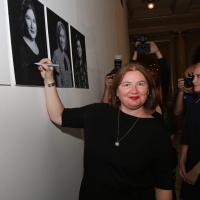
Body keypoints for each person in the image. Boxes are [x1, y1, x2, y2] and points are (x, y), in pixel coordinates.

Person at [38, 58, 173, 199]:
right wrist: (49, 80)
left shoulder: (158, 131)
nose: (134, 90)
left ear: (149, 90)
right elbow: (59, 116)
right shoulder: (98, 113)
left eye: (140, 84)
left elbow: (163, 185)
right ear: (116, 92)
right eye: (126, 84)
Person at [179, 63, 200, 200]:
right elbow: (187, 134)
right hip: (191, 163)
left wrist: (196, 171)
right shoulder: (195, 102)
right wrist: (182, 161)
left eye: (199, 76)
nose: (193, 81)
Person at [17, 0, 44, 86]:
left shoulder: (41, 47)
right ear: (23, 21)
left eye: (34, 20)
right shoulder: (21, 49)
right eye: (28, 18)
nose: (32, 26)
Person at [52, 21, 73, 87]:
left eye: (63, 37)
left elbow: (70, 80)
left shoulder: (66, 57)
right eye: (60, 36)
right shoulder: (56, 54)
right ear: (58, 37)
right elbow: (58, 83)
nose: (62, 40)